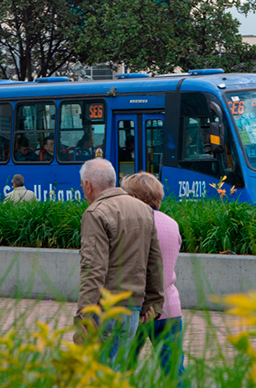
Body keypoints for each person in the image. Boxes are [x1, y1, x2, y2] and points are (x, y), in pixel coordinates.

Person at [76, 159, 165, 370]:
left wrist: (84, 314)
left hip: (106, 310)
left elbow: (93, 269)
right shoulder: (144, 209)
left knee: (99, 374)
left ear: (88, 185)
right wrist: (154, 303)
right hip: (133, 309)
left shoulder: (95, 212)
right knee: (117, 372)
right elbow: (154, 261)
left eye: (81, 185)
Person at [122, 172, 187, 385]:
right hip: (169, 307)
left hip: (137, 308)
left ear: (133, 198)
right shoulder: (172, 223)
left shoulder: (131, 224)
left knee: (122, 370)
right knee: (175, 373)